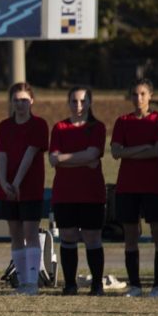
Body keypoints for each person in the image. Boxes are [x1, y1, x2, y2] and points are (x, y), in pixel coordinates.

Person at [110, 78, 158, 297]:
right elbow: (116, 152)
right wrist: (143, 147)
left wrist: (131, 150)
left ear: (151, 95)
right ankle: (135, 285)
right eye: (135, 94)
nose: (138, 99)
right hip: (127, 187)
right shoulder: (122, 121)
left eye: (143, 94)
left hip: (154, 186)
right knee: (130, 234)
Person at [49, 87, 107, 295]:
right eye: (74, 101)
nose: (78, 105)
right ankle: (70, 284)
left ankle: (97, 285)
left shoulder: (97, 127)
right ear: (69, 102)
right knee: (68, 235)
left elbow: (93, 154)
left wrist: (65, 159)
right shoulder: (59, 127)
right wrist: (82, 159)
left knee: (92, 237)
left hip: (91, 193)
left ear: (90, 102)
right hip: (65, 193)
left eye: (83, 101)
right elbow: (53, 159)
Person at [0, 82, 50, 295]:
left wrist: (16, 183)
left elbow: (30, 154)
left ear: (32, 101)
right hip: (8, 187)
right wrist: (3, 181)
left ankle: (32, 282)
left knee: (30, 231)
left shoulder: (39, 125)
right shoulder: (5, 126)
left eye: (24, 100)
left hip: (29, 186)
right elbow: (2, 154)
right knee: (15, 233)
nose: (20, 104)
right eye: (16, 100)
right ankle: (21, 281)